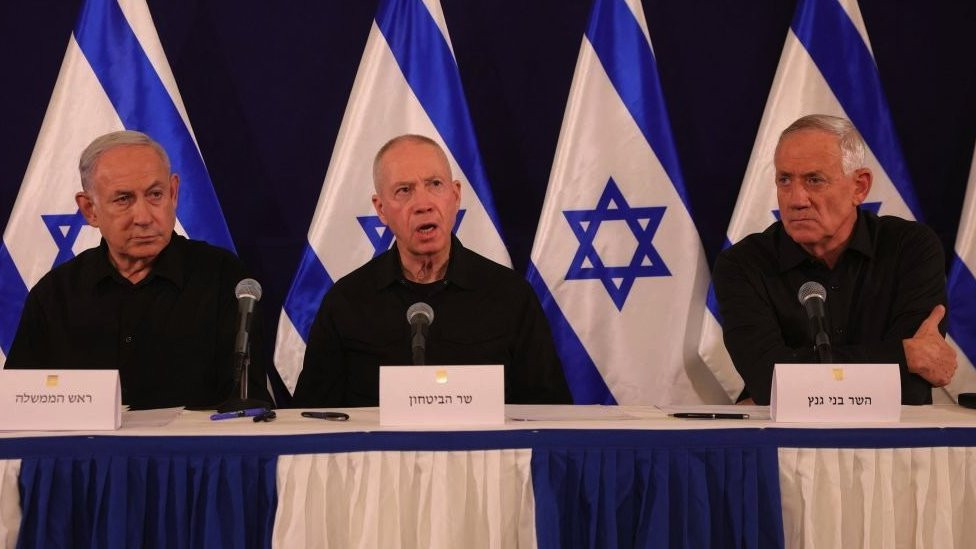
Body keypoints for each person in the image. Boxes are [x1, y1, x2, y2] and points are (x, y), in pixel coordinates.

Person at [292, 134, 572, 406]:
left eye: (435, 184)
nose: (423, 205)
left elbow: (548, 412)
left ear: (455, 195)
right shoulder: (347, 302)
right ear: (381, 209)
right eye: (404, 191)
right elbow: (311, 419)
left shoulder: (510, 296)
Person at [6, 130, 269, 409]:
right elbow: (20, 406)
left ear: (173, 193)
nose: (143, 217)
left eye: (155, 194)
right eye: (123, 199)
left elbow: (244, 404)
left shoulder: (224, 279)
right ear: (89, 210)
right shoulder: (55, 295)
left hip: (192, 452)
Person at [712, 114, 956, 405]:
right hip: (789, 443)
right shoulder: (742, 265)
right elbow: (768, 380)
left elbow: (913, 383)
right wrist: (903, 355)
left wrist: (800, 379)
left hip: (893, 441)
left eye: (815, 180)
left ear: (860, 187)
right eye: (785, 180)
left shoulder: (910, 249)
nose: (796, 199)